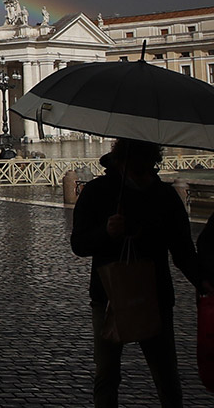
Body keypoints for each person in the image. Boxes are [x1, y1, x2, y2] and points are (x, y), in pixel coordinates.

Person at [71, 138, 201, 407]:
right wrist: (106, 233)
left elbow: (183, 251)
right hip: (109, 298)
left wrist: (204, 283)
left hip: (153, 296)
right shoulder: (98, 192)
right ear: (121, 163)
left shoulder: (164, 196)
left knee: (165, 374)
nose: (143, 176)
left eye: (148, 169)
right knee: (107, 373)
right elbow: (79, 244)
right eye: (136, 170)